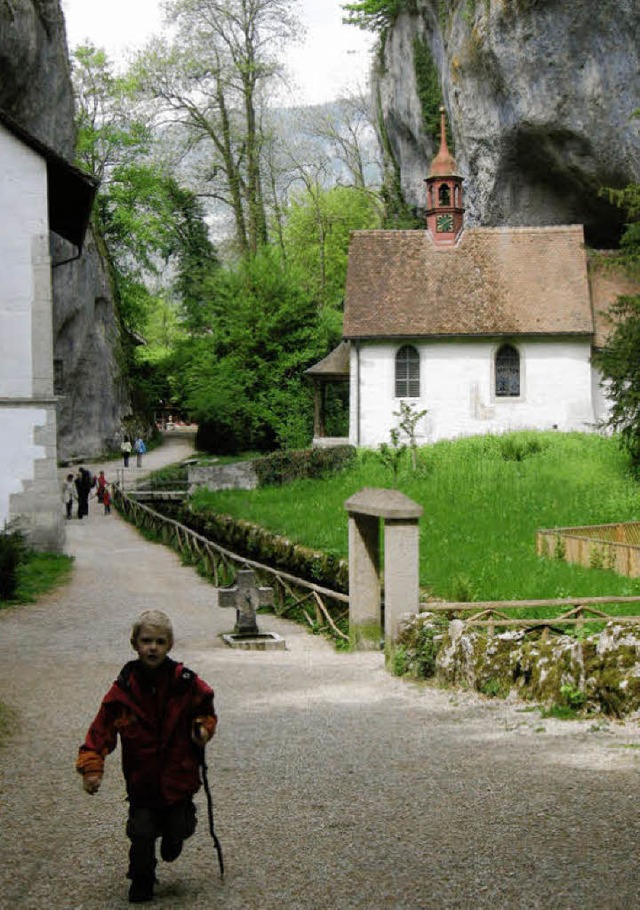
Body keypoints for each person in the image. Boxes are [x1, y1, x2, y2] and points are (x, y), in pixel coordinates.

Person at [76, 611, 217, 904]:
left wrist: (202, 728)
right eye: (146, 641)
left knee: (181, 825)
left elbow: (205, 707)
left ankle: (174, 838)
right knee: (140, 832)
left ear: (170, 645)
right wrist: (92, 766)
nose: (153, 647)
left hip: (179, 777)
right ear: (135, 644)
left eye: (160, 641)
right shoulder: (122, 692)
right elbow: (100, 730)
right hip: (143, 781)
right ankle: (141, 878)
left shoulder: (185, 682)